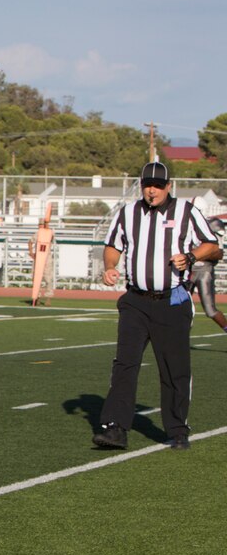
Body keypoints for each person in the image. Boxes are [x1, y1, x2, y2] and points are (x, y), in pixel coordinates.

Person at [93, 161, 220, 451]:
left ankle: (177, 429)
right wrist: (110, 267)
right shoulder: (128, 213)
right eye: (147, 184)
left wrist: (189, 256)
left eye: (158, 185)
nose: (152, 190)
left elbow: (212, 246)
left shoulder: (186, 211)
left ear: (169, 186)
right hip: (135, 300)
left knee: (174, 367)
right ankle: (115, 427)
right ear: (141, 185)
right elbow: (113, 245)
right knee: (125, 363)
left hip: (171, 301)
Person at [190, 217, 227, 332]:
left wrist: (196, 255)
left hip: (204, 271)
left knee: (210, 310)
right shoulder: (189, 224)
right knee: (178, 307)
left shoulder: (213, 226)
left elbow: (219, 254)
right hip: (188, 270)